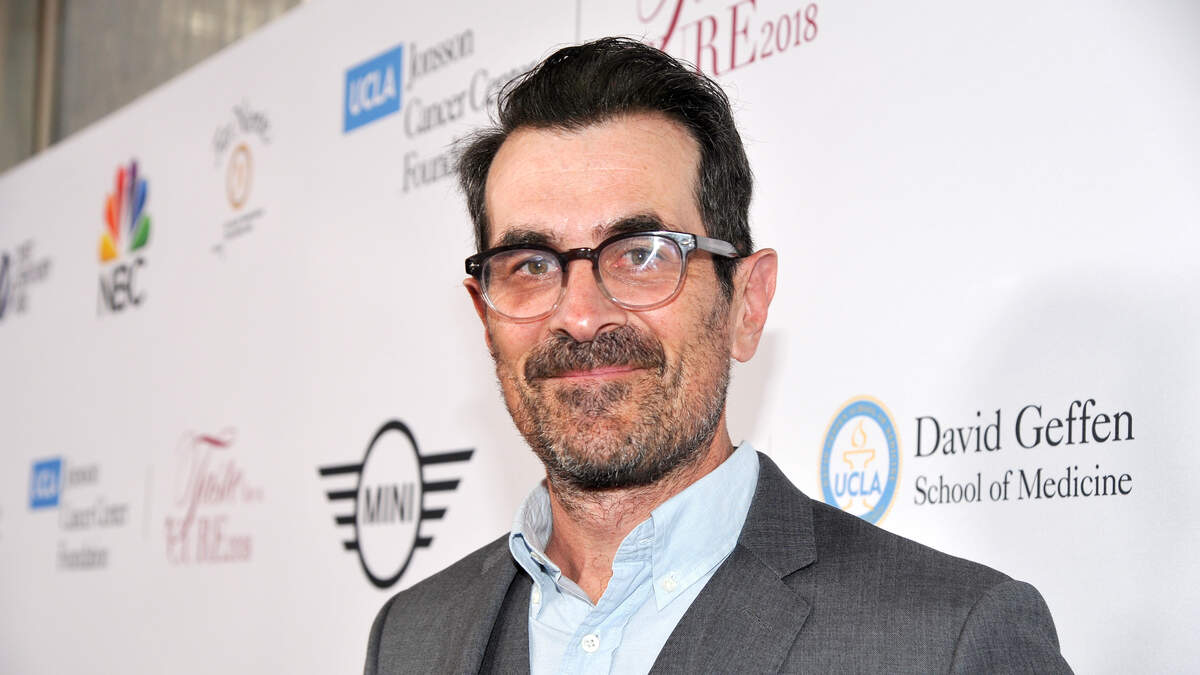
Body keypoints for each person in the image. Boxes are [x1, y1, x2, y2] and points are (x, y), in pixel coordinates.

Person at [363, 37, 1071, 674]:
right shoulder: (410, 638)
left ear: (746, 304)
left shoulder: (946, 643)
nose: (579, 315)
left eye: (641, 254)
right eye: (531, 264)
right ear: (486, 317)